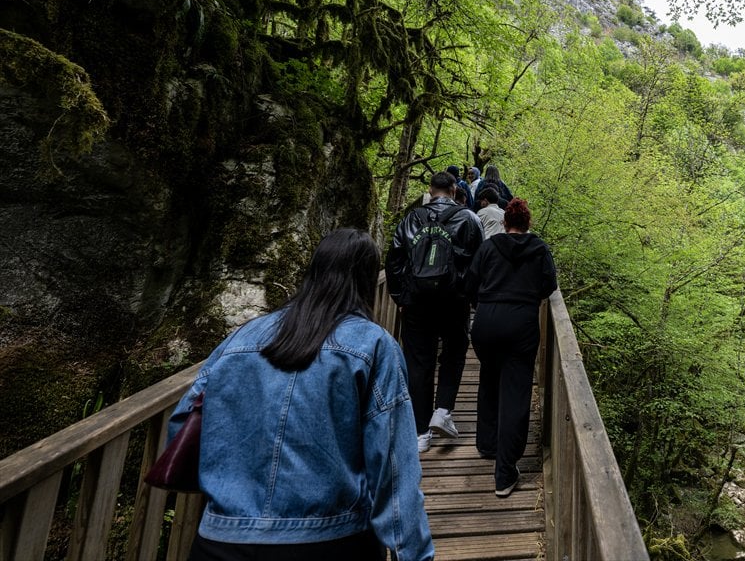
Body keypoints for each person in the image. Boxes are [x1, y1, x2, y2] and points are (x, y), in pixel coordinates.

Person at [165, 229, 434, 561]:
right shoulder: (373, 344)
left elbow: (182, 423)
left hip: (222, 539)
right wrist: (415, 553)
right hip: (332, 538)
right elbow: (393, 466)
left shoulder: (241, 337)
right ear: (366, 280)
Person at [462, 199, 558, 497]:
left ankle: (487, 443)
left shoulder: (488, 247)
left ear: (505, 223)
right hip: (521, 322)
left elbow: (470, 282)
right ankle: (504, 473)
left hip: (487, 323)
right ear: (528, 223)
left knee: (490, 377)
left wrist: (483, 303)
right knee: (515, 391)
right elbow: (549, 284)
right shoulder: (539, 248)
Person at [386, 171, 483, 452]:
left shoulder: (411, 219)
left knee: (418, 361)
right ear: (454, 189)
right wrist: (472, 298)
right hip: (454, 300)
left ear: (430, 190)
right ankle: (443, 411)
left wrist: (399, 297)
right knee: (454, 351)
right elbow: (479, 263)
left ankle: (420, 433)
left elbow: (395, 259)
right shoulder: (469, 218)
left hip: (416, 300)